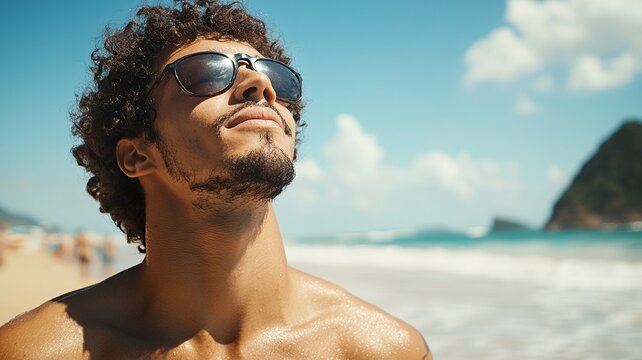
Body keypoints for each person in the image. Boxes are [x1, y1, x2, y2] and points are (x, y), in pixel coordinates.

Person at [0, 1, 431, 358]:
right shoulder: (35, 352)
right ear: (136, 155)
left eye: (275, 76)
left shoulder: (383, 350)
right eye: (206, 73)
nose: (258, 82)